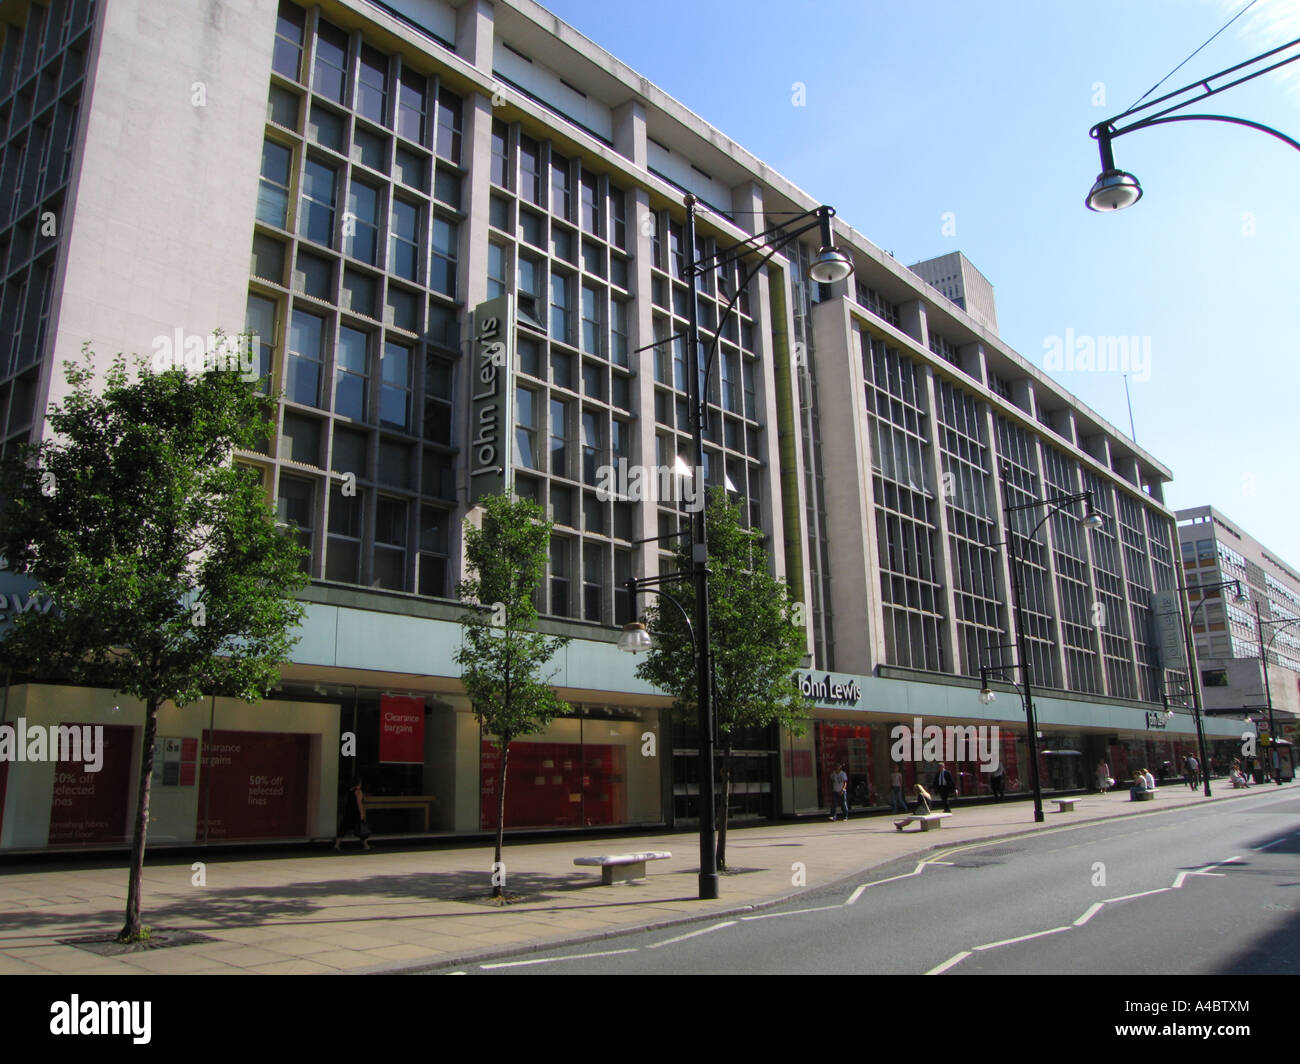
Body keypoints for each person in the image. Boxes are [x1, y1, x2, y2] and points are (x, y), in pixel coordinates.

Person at [334, 778, 370, 851]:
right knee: (361, 828)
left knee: (343, 828)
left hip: (348, 812)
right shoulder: (358, 791)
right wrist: (362, 813)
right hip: (355, 812)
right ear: (359, 784)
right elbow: (359, 803)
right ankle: (366, 845)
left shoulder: (350, 791)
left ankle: (337, 845)